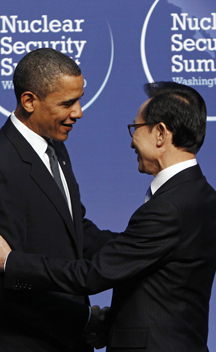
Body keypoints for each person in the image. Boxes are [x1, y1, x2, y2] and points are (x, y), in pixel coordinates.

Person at [1, 81, 216, 352]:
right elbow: (138, 260)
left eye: (135, 129)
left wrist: (11, 262)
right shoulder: (200, 194)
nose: (131, 141)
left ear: (160, 134)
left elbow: (93, 275)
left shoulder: (171, 207)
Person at [0, 48, 115, 352]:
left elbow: (74, 228)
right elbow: (8, 279)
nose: (78, 112)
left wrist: (139, 247)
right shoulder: (3, 163)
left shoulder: (55, 147)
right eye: (67, 103)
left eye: (78, 99)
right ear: (29, 101)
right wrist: (82, 319)